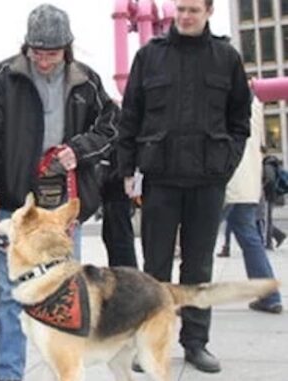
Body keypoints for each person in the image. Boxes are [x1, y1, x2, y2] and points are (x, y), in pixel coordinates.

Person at [0, 5, 119, 380]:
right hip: (18, 203)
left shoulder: (87, 81)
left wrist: (80, 149)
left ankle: (65, 372)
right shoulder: (5, 77)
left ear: (67, 48)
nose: (44, 59)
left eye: (52, 52)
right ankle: (8, 374)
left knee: (66, 294)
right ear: (26, 46)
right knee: (9, 297)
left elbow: (112, 127)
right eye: (37, 51)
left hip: (64, 204)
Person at [117, 0, 251, 373]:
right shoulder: (149, 56)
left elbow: (240, 120)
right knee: (155, 268)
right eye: (181, 8)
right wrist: (128, 170)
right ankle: (151, 344)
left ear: (209, 11)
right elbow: (130, 118)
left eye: (193, 9)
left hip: (207, 183)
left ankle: (196, 343)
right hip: (159, 181)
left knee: (198, 268)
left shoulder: (226, 58)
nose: (185, 16)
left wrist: (226, 163)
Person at [221, 97, 282, 314]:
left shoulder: (222, 98)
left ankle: (188, 301)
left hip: (224, 182)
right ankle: (270, 296)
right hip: (248, 184)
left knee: (199, 242)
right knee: (251, 240)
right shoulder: (254, 104)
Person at [99, 149, 137, 267]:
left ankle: (127, 279)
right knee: (111, 233)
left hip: (117, 171)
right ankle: (123, 276)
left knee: (119, 234)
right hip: (113, 170)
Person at [261, 152, 287, 250]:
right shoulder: (271, 164)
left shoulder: (267, 165)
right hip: (271, 196)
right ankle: (278, 236)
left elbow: (270, 180)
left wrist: (262, 188)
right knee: (266, 219)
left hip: (268, 196)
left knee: (266, 219)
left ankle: (269, 242)